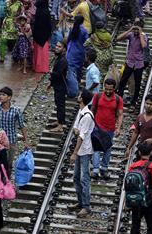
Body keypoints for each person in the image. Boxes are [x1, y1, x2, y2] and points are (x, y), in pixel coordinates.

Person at [127, 142, 152, 234]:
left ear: (139, 153)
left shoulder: (133, 166)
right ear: (151, 153)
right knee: (151, 225)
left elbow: (129, 185)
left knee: (135, 224)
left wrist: (126, 201)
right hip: (148, 199)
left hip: (135, 200)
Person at [91, 78, 123, 179]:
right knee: (96, 148)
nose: (108, 91)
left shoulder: (118, 99)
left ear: (114, 89)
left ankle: (104, 168)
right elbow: (93, 109)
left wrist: (118, 128)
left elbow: (120, 114)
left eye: (110, 89)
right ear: (104, 87)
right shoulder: (98, 96)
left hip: (110, 128)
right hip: (97, 126)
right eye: (107, 89)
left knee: (107, 149)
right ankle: (95, 170)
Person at [125, 94, 152, 163]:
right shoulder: (140, 117)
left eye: (151, 104)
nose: (148, 106)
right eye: (147, 103)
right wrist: (129, 147)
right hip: (142, 151)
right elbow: (136, 132)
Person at [71, 89, 95, 217]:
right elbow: (75, 128)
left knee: (84, 178)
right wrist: (77, 131)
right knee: (76, 177)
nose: (78, 96)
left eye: (80, 95)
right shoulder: (81, 112)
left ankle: (86, 206)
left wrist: (74, 153)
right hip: (81, 149)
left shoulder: (86, 116)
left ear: (82, 98)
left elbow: (81, 136)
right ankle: (80, 202)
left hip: (84, 150)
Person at [116, 20, 148, 105]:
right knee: (123, 81)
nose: (136, 31)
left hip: (138, 64)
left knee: (137, 83)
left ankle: (134, 101)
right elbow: (118, 38)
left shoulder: (144, 36)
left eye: (137, 29)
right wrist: (130, 29)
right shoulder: (131, 35)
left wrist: (140, 33)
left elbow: (144, 46)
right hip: (129, 62)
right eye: (135, 29)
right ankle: (119, 98)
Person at [0, 86, 28, 167]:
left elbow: (22, 125)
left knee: (9, 163)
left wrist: (26, 141)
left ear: (9, 97)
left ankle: (6, 179)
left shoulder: (16, 110)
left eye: (3, 95)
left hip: (11, 140)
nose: (1, 97)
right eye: (0, 94)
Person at [32, 0, 52, 73]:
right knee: (43, 53)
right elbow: (48, 25)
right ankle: (43, 68)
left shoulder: (38, 10)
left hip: (37, 34)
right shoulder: (46, 11)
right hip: (44, 35)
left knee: (37, 52)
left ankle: (36, 67)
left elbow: (36, 23)